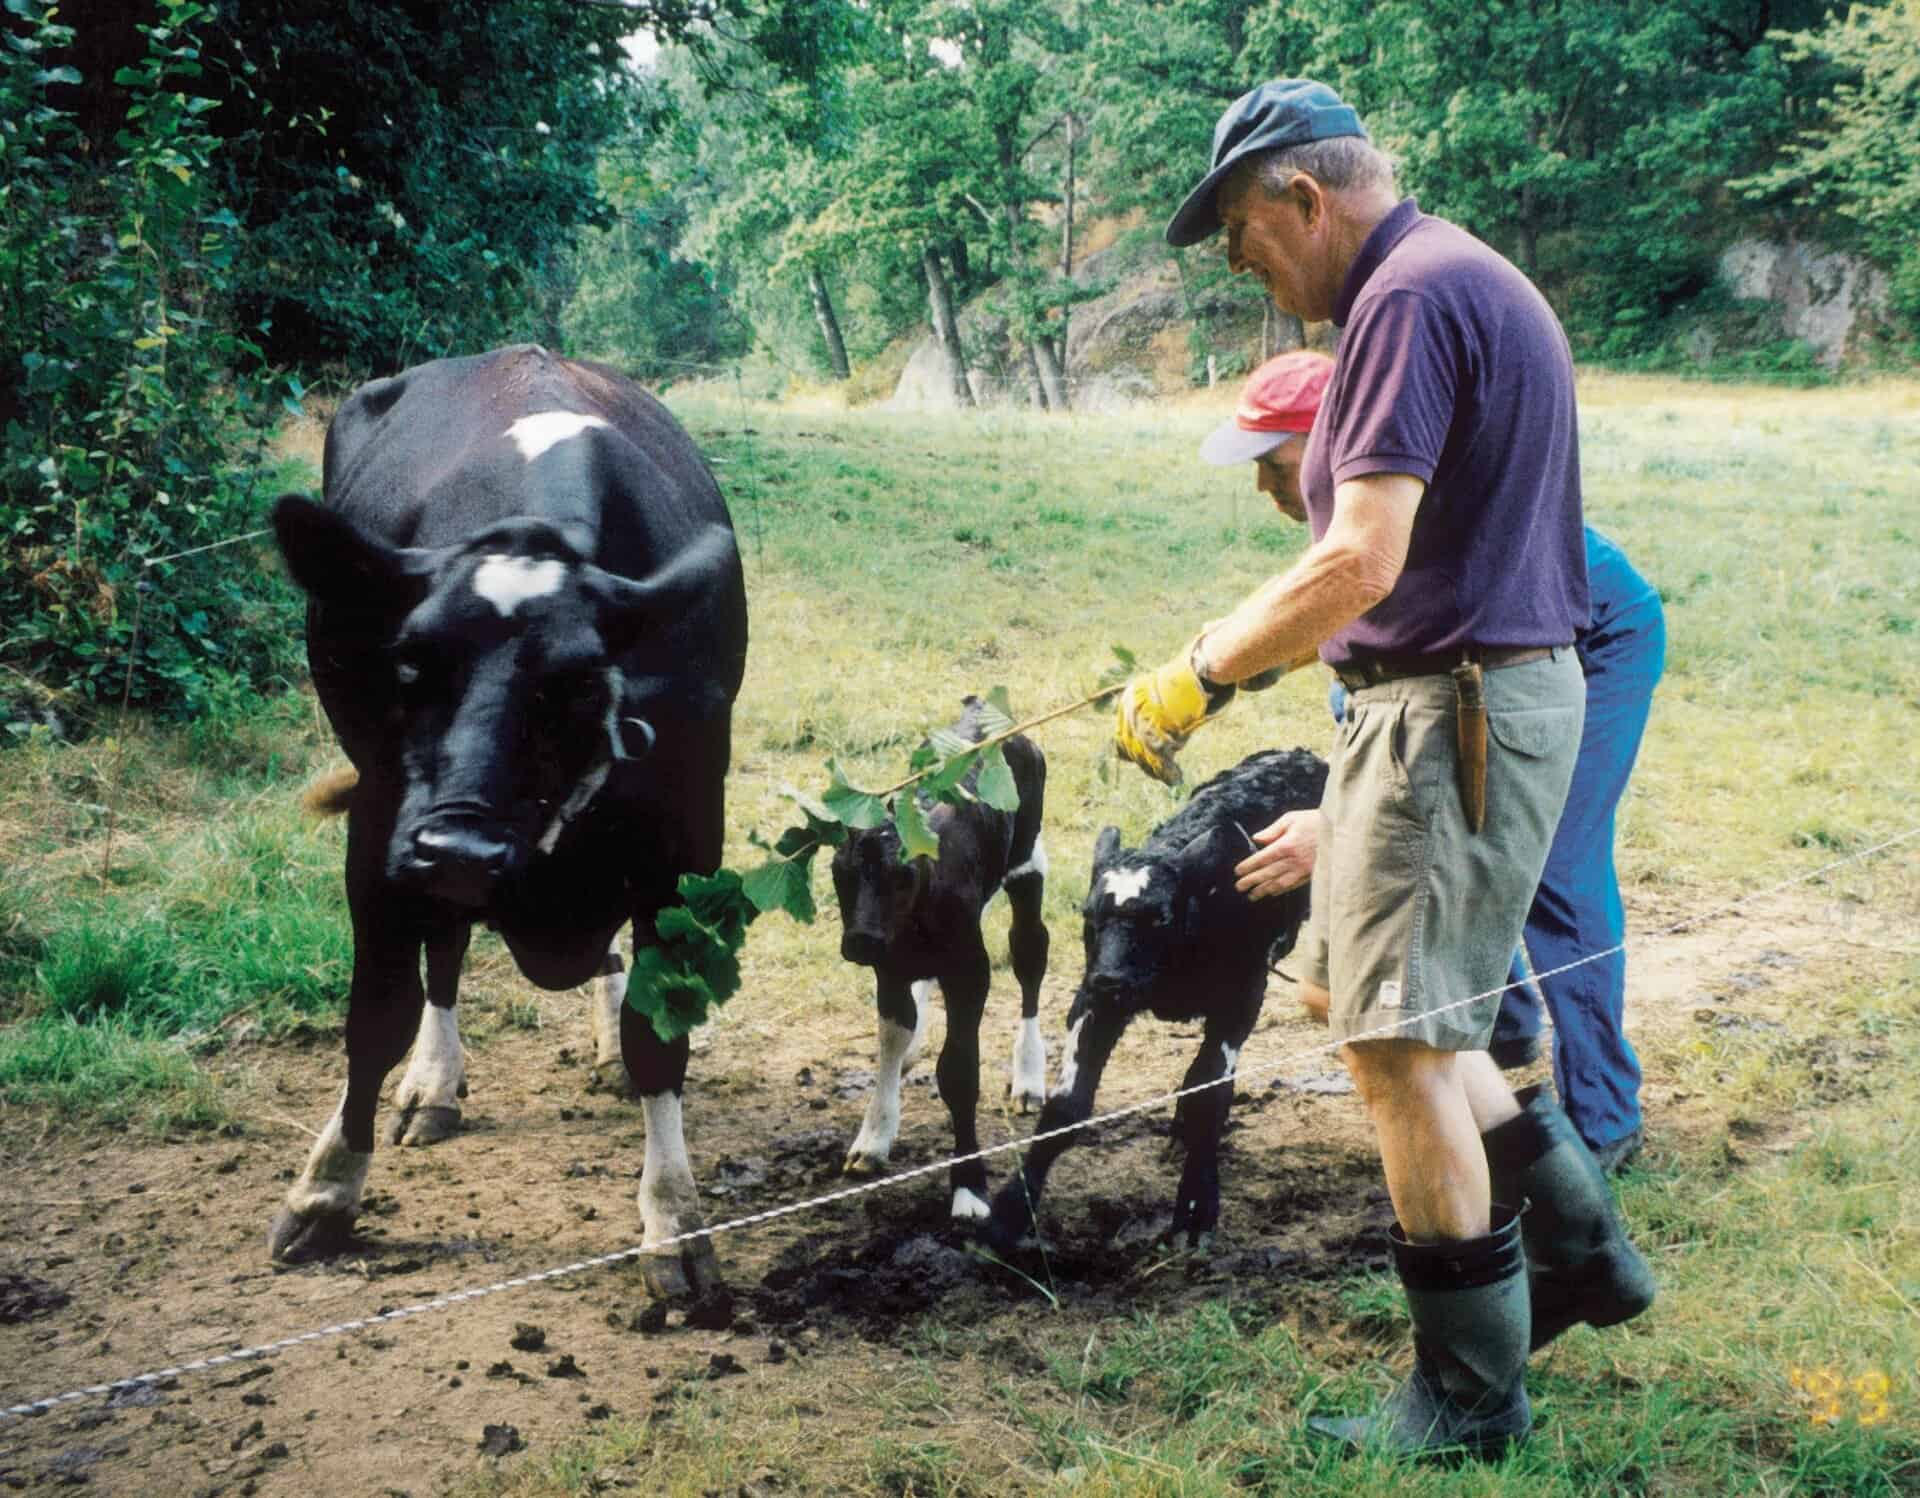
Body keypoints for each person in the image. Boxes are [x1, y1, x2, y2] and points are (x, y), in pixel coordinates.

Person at [1112, 79, 1654, 1458]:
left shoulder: (1408, 297)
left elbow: (1360, 557)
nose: (1239, 264)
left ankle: (1468, 1397)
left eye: (1241, 234)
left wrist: (1200, 669)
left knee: (1399, 1046)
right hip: (1447, 698)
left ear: (1303, 196)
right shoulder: (1453, 276)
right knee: (1384, 1005)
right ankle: (1581, 1251)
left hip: (1450, 709)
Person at [1210, 356, 1667, 1174]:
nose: (1264, 487)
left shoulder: (1402, 490)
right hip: (1476, 656)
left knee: (1553, 861)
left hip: (1594, 641)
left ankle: (1604, 1117)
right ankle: (1502, 1021)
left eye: (1273, 463)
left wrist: (1345, 824)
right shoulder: (1357, 501)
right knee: (1436, 810)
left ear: (1331, 439)